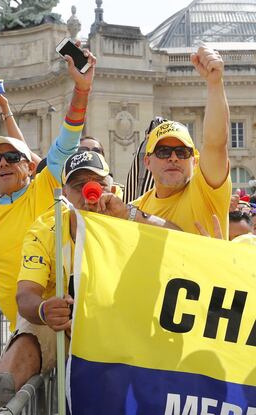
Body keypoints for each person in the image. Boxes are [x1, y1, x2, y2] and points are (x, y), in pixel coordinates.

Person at [0, 46, 97, 415]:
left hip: (75, 314)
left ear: (30, 166)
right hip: (30, 324)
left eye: (12, 158)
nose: (4, 164)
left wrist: (81, 92)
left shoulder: (45, 187)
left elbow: (69, 137)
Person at [14, 150, 181, 383]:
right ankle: (1, 390)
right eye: (79, 185)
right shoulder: (46, 230)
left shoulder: (127, 215)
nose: (89, 194)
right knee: (27, 336)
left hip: (121, 338)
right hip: (67, 333)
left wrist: (130, 215)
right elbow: (25, 295)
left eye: (98, 184)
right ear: (65, 194)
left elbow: (183, 244)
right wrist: (45, 310)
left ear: (112, 188)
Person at [130, 45, 232, 238]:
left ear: (194, 161)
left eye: (182, 152)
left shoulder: (206, 192)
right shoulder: (135, 208)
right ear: (147, 161)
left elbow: (216, 143)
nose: (173, 158)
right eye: (163, 152)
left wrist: (215, 83)